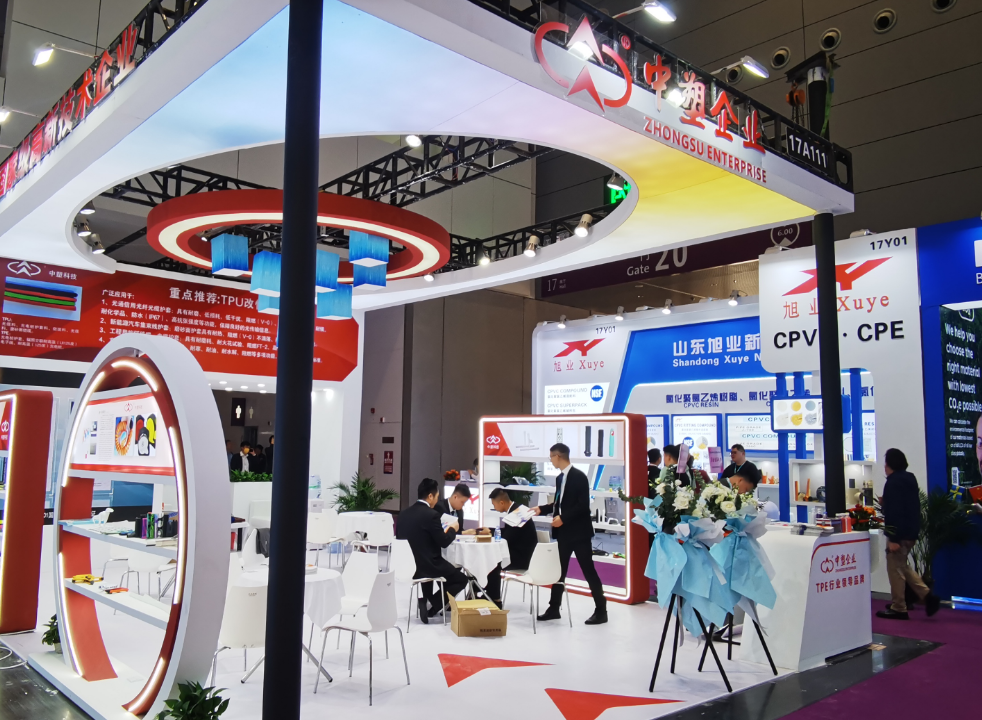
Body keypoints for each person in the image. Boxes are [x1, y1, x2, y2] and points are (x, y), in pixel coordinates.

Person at [532, 443, 607, 625]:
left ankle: (601, 610)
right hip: (564, 534)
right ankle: (554, 608)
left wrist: (563, 518)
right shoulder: (560, 478)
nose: (550, 460)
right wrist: (541, 509)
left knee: (588, 571)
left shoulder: (579, 477)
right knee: (559, 572)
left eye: (551, 457)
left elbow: (583, 506)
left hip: (579, 534)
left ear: (558, 456)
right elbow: (559, 503)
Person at [877, 448, 940, 620]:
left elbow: (895, 512)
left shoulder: (893, 483)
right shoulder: (909, 479)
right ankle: (927, 596)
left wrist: (893, 538)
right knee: (902, 566)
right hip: (911, 531)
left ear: (889, 465)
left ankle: (899, 607)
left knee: (895, 569)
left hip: (899, 534)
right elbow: (906, 507)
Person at [395, 477, 469, 624]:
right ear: (430, 496)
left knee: (437, 566)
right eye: (436, 496)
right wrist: (453, 529)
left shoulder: (403, 514)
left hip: (406, 564)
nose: (437, 500)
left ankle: (429, 603)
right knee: (461, 579)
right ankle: (432, 603)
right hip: (428, 564)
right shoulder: (431, 515)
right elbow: (444, 542)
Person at [483, 487, 539, 606]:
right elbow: (508, 533)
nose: (494, 507)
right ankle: (487, 593)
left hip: (523, 558)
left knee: (493, 561)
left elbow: (506, 538)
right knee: (492, 559)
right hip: (522, 553)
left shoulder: (517, 514)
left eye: (494, 504)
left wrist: (490, 532)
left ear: (501, 503)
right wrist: (490, 530)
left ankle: (495, 599)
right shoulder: (517, 509)